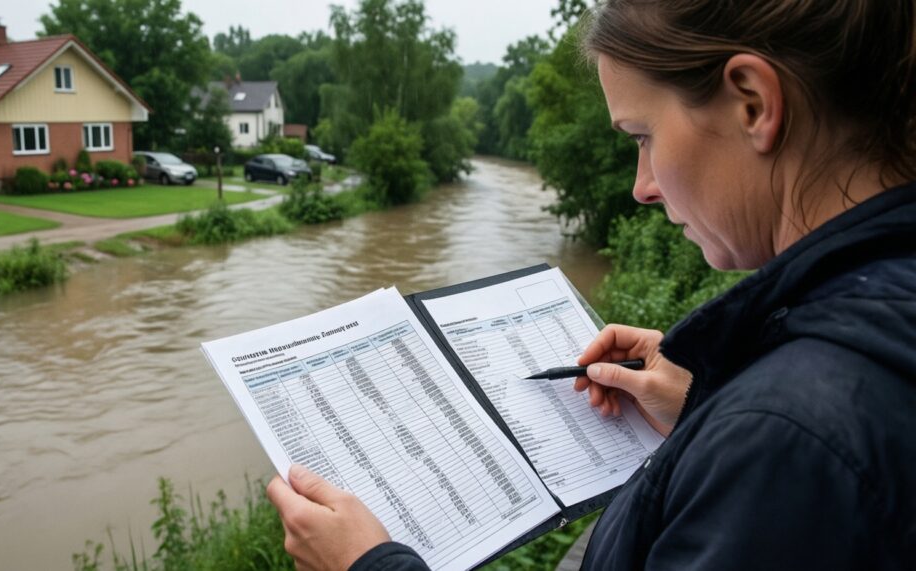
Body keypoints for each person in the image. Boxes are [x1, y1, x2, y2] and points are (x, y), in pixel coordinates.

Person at [266, 0, 916, 568]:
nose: (642, 186)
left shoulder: (789, 443)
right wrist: (706, 410)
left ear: (753, 102)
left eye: (643, 136)